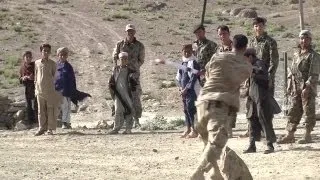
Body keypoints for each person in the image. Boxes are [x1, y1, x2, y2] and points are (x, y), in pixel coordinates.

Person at [190, 34, 252, 180]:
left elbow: (207, 73)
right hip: (219, 105)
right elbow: (239, 84)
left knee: (207, 143)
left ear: (232, 44)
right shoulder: (246, 66)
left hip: (202, 102)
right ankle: (198, 173)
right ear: (245, 47)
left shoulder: (217, 56)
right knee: (217, 144)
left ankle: (215, 174)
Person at [278, 30, 320, 144]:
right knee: (293, 111)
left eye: (306, 38)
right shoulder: (297, 54)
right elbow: (292, 71)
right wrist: (290, 85)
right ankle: (290, 134)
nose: (303, 40)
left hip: (307, 88)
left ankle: (307, 135)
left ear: (310, 40)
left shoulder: (314, 56)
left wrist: (307, 87)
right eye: (302, 38)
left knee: (308, 111)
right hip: (296, 87)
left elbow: (314, 74)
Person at [242, 48, 281, 154]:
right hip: (252, 98)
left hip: (261, 97)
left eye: (245, 59)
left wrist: (252, 70)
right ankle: (252, 145)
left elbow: (263, 74)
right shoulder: (249, 65)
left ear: (250, 57)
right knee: (251, 120)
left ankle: (270, 145)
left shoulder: (259, 63)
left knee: (264, 120)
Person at [112, 24, 145, 128]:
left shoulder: (139, 45)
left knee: (135, 97)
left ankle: (136, 119)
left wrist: (134, 68)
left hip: (133, 76)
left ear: (134, 32)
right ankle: (118, 121)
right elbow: (114, 57)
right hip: (121, 75)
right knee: (119, 96)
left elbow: (141, 60)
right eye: (128, 31)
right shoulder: (120, 44)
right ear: (126, 32)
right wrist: (117, 68)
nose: (130, 33)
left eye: (132, 31)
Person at [34, 44, 62, 136]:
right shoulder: (37, 63)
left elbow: (55, 77)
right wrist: (36, 88)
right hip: (39, 90)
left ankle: (50, 129)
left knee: (50, 110)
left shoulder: (53, 64)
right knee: (40, 110)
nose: (45, 52)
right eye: (44, 50)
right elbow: (35, 76)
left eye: (47, 51)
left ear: (50, 52)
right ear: (41, 52)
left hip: (50, 91)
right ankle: (41, 128)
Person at [108, 52, 138, 134]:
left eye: (125, 59)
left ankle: (128, 129)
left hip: (128, 93)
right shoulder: (115, 69)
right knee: (117, 111)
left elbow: (135, 82)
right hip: (118, 94)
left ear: (127, 60)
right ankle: (116, 128)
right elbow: (111, 81)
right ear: (119, 60)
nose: (123, 61)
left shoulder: (131, 71)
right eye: (122, 59)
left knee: (129, 110)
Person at [249, 17, 279, 97]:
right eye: (255, 26)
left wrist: (269, 76)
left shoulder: (270, 42)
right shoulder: (251, 41)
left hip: (265, 76)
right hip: (254, 76)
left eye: (260, 26)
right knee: (254, 101)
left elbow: (274, 61)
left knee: (266, 102)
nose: (258, 28)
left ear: (264, 26)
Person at [216, 25, 237, 138]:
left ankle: (229, 129)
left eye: (224, 34)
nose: (222, 36)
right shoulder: (219, 49)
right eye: (220, 34)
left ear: (229, 33)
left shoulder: (235, 47)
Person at [176, 44, 201, 138]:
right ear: (182, 52)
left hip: (192, 90)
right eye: (185, 51)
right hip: (184, 91)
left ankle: (195, 130)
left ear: (192, 52)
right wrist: (180, 88)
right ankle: (188, 129)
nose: (187, 53)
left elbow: (194, 78)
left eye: (189, 51)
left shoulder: (193, 62)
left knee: (191, 109)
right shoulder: (182, 63)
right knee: (186, 110)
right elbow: (178, 78)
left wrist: (186, 89)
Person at [55, 47, 76, 129]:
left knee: (67, 106)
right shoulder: (55, 66)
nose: (63, 57)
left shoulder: (69, 66)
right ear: (58, 55)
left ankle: (66, 122)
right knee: (62, 106)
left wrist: (73, 90)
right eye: (61, 55)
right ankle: (63, 122)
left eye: (64, 55)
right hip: (57, 90)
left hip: (67, 90)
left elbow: (72, 79)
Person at [19, 51, 38, 127]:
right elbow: (20, 79)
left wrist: (33, 77)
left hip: (35, 88)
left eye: (30, 57)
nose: (28, 58)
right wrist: (24, 78)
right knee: (29, 105)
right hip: (27, 89)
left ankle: (37, 121)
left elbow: (39, 75)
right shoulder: (22, 67)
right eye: (27, 57)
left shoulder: (35, 66)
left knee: (36, 105)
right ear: (24, 58)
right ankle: (30, 122)